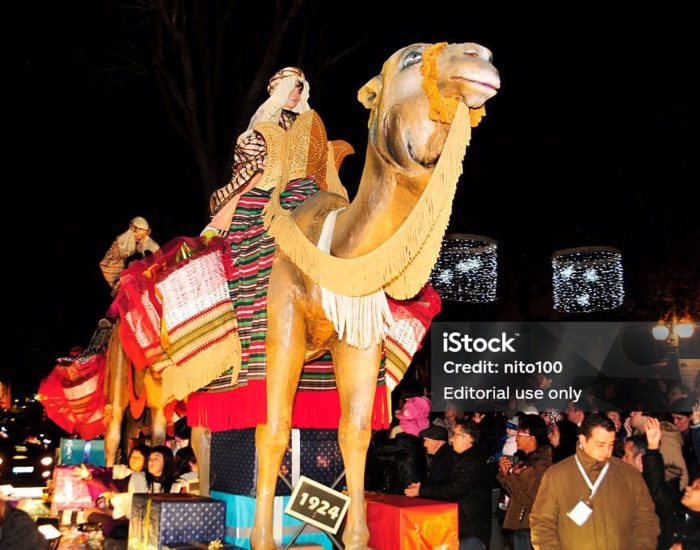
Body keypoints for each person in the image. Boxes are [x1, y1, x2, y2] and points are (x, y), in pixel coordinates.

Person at [530, 413, 659, 549]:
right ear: (583, 440)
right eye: (600, 444)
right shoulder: (557, 476)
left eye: (611, 444)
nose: (607, 451)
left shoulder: (628, 474)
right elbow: (542, 524)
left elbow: (646, 520)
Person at [205, 67, 311, 233]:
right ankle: (218, 227)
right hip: (271, 168)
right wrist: (276, 154)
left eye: (299, 91)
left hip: (298, 171)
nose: (296, 96)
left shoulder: (303, 120)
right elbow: (250, 143)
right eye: (291, 90)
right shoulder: (269, 115)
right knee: (260, 172)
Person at [405, 420, 492, 550]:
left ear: (467, 437)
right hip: (462, 527)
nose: (451, 440)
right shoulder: (463, 458)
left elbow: (453, 489)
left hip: (470, 529)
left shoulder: (472, 461)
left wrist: (421, 491)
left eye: (455, 435)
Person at [497, 414, 552, 550]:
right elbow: (514, 493)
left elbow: (530, 500)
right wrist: (505, 474)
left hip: (529, 527)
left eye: (520, 434)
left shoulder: (542, 465)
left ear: (532, 438)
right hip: (519, 525)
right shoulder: (526, 460)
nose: (516, 438)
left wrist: (510, 476)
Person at [99, 216, 159, 292]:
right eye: (138, 235)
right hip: (113, 263)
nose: (140, 237)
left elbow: (150, 244)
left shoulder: (140, 239)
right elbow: (121, 253)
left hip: (123, 264)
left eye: (142, 236)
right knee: (114, 275)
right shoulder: (123, 241)